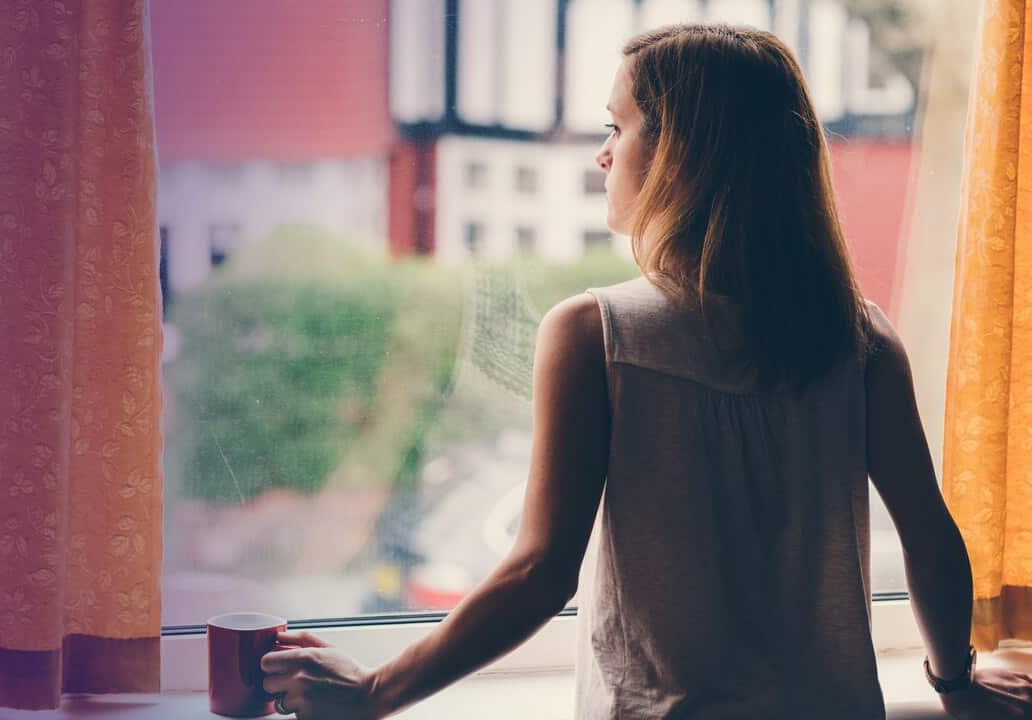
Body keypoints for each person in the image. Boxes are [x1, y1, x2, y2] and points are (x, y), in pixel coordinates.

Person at [258, 23, 1032, 719]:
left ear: (680, 155)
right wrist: (955, 684)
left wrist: (374, 692)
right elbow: (929, 534)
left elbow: (537, 572)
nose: (602, 153)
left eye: (616, 127)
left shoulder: (598, 334)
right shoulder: (858, 336)